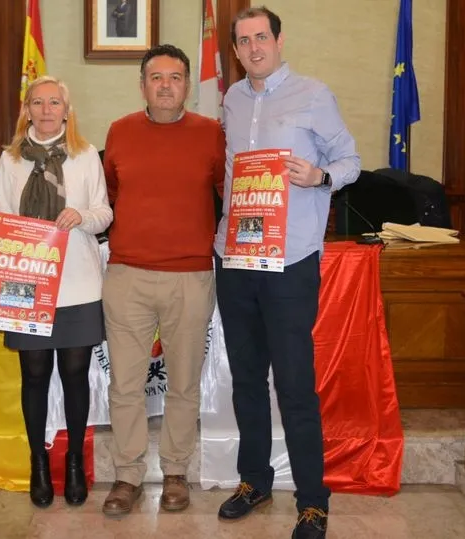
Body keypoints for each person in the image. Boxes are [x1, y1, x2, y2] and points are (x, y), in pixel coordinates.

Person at [213, 7, 361, 539]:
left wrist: (319, 175)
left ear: (278, 40)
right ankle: (254, 480)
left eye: (261, 38)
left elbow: (351, 161)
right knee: (247, 379)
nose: (254, 48)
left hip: (290, 262)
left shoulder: (314, 94)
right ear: (235, 50)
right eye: (244, 41)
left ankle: (313, 501)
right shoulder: (230, 99)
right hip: (236, 259)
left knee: (295, 384)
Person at [0, 75, 113, 508]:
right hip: (26, 285)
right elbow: (4, 217)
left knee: (74, 376)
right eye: (38, 102)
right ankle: (37, 463)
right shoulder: (10, 159)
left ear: (67, 110)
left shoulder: (86, 155)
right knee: (33, 375)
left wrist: (82, 216)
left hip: (78, 282)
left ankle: (72, 462)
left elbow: (105, 213)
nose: (47, 109)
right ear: (26, 110)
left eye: (55, 102)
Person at [101, 44, 225, 516]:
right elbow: (108, 196)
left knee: (183, 384)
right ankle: (128, 475)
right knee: (126, 385)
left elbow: (227, 194)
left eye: (175, 77)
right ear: (143, 85)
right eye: (157, 77)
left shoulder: (211, 133)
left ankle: (175, 471)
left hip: (189, 278)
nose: (166, 85)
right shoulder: (119, 132)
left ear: (188, 85)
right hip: (127, 274)